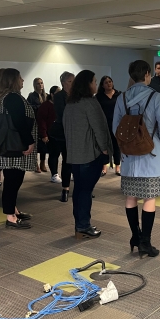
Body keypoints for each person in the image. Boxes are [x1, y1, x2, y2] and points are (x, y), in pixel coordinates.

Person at [113, 60, 160, 258]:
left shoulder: (121, 98)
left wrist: (125, 146)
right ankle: (145, 242)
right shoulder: (155, 97)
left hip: (129, 157)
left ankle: (135, 236)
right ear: (147, 74)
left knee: (131, 197)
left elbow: (116, 128)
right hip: (151, 155)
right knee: (149, 198)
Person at [64, 71, 113, 239]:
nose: (95, 84)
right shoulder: (90, 103)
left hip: (74, 155)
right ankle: (83, 226)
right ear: (87, 84)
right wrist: (105, 150)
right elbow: (99, 128)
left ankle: (80, 226)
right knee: (85, 192)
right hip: (90, 155)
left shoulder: (70, 103)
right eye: (94, 81)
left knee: (79, 191)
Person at [0, 68, 37, 229]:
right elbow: (19, 122)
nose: (23, 80)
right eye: (20, 78)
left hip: (10, 145)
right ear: (13, 80)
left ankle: (13, 210)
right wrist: (29, 142)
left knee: (13, 180)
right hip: (15, 145)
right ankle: (10, 216)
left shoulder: (6, 97)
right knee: (12, 180)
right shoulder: (12, 97)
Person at [48, 71, 74, 202]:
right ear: (63, 83)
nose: (73, 84)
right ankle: (65, 189)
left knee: (76, 161)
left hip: (76, 133)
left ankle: (81, 188)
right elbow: (62, 114)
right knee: (66, 160)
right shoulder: (59, 97)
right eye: (70, 81)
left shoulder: (78, 95)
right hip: (62, 133)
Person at [96, 75, 121, 176]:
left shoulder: (119, 95)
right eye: (106, 82)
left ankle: (117, 167)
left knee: (117, 145)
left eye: (110, 81)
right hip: (104, 124)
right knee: (104, 145)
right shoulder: (99, 97)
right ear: (102, 85)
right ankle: (104, 167)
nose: (109, 84)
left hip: (117, 123)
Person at [27, 77, 49, 174]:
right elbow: (29, 108)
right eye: (38, 83)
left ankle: (43, 163)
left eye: (41, 83)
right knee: (36, 143)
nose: (40, 85)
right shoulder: (32, 96)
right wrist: (40, 107)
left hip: (44, 123)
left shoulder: (46, 96)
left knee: (44, 144)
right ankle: (35, 164)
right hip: (35, 123)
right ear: (35, 85)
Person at [37, 85, 59, 180]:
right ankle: (54, 174)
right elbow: (41, 121)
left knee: (65, 155)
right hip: (51, 134)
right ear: (52, 94)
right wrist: (44, 134)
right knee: (54, 154)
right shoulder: (45, 105)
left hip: (61, 133)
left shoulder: (61, 104)